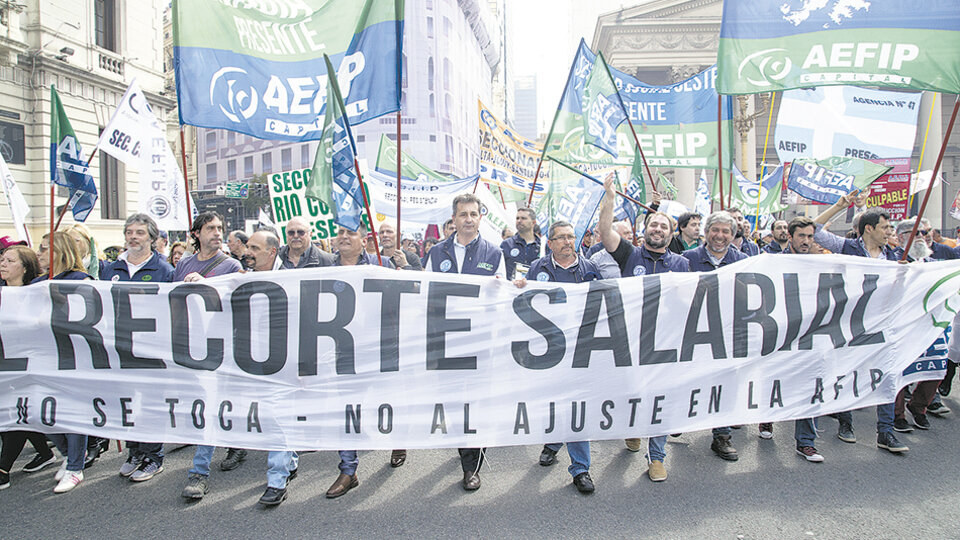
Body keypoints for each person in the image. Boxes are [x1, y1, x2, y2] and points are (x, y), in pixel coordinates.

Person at [598, 173, 688, 481]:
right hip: (630, 340)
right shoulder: (629, 254)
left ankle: (657, 456)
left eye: (664, 226)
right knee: (632, 391)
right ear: (644, 230)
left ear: (670, 233)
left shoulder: (681, 264)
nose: (658, 229)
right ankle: (633, 428)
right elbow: (605, 232)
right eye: (653, 224)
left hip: (664, 342)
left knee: (661, 396)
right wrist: (610, 197)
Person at [813, 192, 907, 454]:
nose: (890, 231)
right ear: (869, 229)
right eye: (885, 227)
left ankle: (885, 433)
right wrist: (839, 206)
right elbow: (816, 230)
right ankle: (846, 423)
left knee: (887, 375)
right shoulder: (847, 248)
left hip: (884, 324)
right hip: (851, 325)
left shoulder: (897, 255)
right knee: (849, 373)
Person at [424, 193, 505, 491]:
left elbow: (502, 296)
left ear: (480, 217)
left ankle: (471, 466)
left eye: (473, 214)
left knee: (477, 402)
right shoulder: (437, 253)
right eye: (463, 215)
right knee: (456, 402)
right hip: (447, 342)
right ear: (454, 219)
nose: (468, 220)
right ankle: (466, 451)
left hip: (480, 343)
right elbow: (426, 295)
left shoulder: (494, 253)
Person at [516, 221, 602, 494]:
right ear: (550, 243)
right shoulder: (537, 269)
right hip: (548, 351)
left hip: (580, 350)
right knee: (552, 403)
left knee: (577, 407)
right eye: (561, 238)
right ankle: (553, 443)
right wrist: (517, 287)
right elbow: (522, 301)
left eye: (571, 237)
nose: (567, 242)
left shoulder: (590, 270)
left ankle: (580, 468)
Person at [176, 212, 246, 500]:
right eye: (210, 228)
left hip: (220, 346)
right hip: (191, 344)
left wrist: (206, 287)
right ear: (196, 234)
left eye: (220, 228)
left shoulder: (231, 265)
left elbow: (235, 304)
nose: (217, 233)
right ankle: (237, 442)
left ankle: (199, 472)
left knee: (210, 406)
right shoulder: (182, 264)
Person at [100, 214, 174, 482]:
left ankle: (154, 457)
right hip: (119, 347)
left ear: (152, 238)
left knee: (149, 402)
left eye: (140, 233)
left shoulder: (164, 271)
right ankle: (134, 451)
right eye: (129, 232)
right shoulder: (111, 269)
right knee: (127, 402)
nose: (133, 237)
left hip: (151, 349)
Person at [324, 221, 394, 499]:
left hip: (382, 346)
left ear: (363, 241)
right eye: (339, 233)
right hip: (344, 349)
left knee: (390, 401)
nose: (343, 237)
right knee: (347, 407)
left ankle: (398, 442)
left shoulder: (382, 263)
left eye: (349, 233)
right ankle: (348, 469)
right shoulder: (327, 269)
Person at [753, 217, 826, 462]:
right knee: (774, 378)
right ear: (790, 237)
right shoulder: (772, 261)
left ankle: (806, 442)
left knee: (810, 384)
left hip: (809, 333)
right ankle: (767, 416)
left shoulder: (822, 262)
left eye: (810, 236)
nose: (806, 241)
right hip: (778, 332)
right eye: (801, 236)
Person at [239, 230, 300, 506]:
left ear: (272, 252)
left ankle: (277, 480)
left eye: (254, 247)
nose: (247, 251)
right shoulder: (240, 276)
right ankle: (291, 459)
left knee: (278, 416)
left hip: (283, 359)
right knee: (270, 414)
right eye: (247, 246)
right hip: (254, 357)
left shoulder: (291, 278)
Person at [31, 232, 94, 493]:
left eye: (45, 248)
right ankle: (67, 453)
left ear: (60, 251)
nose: (39, 253)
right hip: (44, 356)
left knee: (72, 412)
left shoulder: (81, 280)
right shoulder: (36, 283)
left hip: (73, 355)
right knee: (38, 411)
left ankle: (75, 466)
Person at [682, 211, 747, 461]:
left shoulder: (743, 260)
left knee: (726, 384)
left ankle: (722, 435)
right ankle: (682, 419)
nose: (720, 236)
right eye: (715, 230)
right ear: (706, 232)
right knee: (689, 379)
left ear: (732, 235)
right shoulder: (687, 259)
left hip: (728, 332)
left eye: (726, 231)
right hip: (694, 332)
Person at [0, 245, 59, 490]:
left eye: (10, 260)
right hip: (3, 360)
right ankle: (45, 453)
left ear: (24, 268)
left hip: (26, 362)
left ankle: (3, 469)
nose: (3, 263)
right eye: (2, 259)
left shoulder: (36, 294)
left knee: (15, 413)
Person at [501, 208, 541, 279]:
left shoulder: (542, 245)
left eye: (523, 218)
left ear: (533, 223)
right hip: (512, 288)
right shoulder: (506, 244)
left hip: (535, 288)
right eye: (517, 218)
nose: (519, 221)